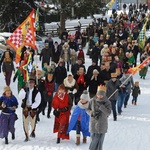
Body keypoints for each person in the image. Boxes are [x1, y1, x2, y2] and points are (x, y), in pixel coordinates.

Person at [78, 85, 111, 150]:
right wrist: (92, 113)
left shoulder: (107, 102)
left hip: (102, 124)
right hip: (94, 123)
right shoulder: (92, 100)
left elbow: (108, 112)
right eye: (98, 94)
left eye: (101, 95)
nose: (99, 96)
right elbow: (87, 109)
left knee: (100, 141)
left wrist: (102, 108)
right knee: (93, 140)